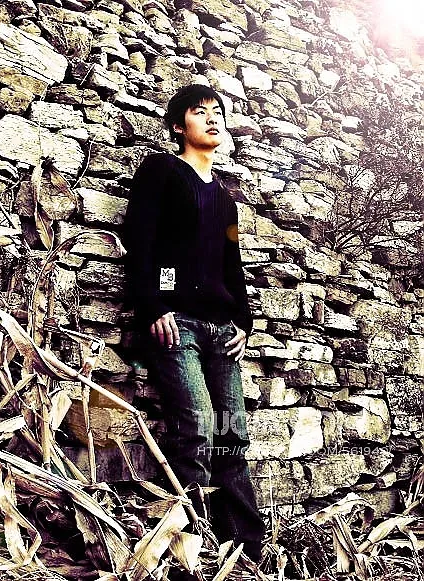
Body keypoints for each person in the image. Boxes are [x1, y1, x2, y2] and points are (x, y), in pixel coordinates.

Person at [123, 84, 265, 562]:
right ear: (178, 125)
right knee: (198, 427)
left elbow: (231, 263)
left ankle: (246, 548)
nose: (212, 117)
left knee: (232, 435)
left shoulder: (225, 198)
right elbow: (140, 240)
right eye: (199, 111)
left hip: (222, 330)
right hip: (176, 322)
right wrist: (152, 306)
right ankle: (191, 543)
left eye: (217, 111)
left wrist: (243, 321)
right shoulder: (162, 171)